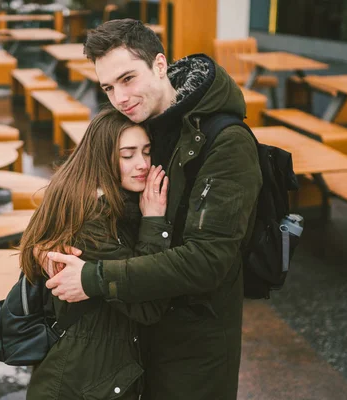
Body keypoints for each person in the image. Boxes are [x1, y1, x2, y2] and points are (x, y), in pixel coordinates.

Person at [43, 19, 263, 399]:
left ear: (160, 65)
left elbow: (209, 259)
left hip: (196, 344)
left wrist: (94, 278)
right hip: (140, 325)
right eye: (108, 87)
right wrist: (51, 243)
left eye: (128, 79)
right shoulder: (145, 124)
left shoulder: (226, 143)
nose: (119, 98)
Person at [19, 108, 172, 399]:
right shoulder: (93, 220)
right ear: (102, 158)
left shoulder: (89, 199)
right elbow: (148, 305)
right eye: (127, 155)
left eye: (147, 152)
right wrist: (153, 222)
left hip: (89, 376)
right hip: (85, 386)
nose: (141, 164)